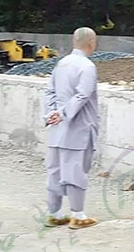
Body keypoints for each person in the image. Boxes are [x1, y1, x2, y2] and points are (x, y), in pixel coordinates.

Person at [43, 27, 100, 230]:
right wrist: (65, 113)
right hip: (78, 126)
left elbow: (49, 91)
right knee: (75, 169)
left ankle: (55, 214)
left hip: (57, 128)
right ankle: (78, 214)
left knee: (55, 170)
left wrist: (51, 114)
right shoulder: (87, 66)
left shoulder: (61, 63)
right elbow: (83, 95)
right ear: (91, 43)